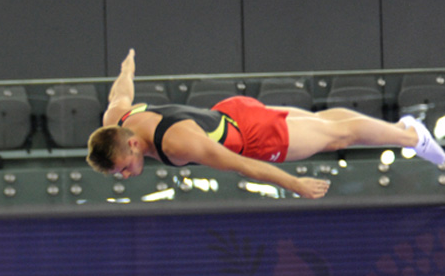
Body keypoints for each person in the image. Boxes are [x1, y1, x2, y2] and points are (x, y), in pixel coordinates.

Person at [87, 48, 445, 198]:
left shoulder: (177, 143)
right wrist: (127, 68)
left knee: (338, 136)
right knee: (325, 126)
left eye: (123, 168)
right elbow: (120, 94)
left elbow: (243, 165)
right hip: (231, 113)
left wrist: (294, 184)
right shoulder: (116, 120)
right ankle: (407, 133)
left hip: (252, 137)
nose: (126, 175)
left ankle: (410, 135)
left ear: (133, 144)